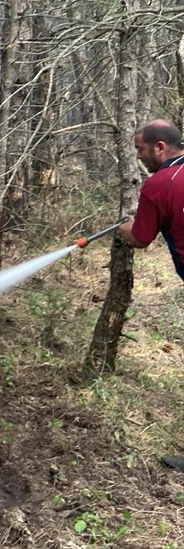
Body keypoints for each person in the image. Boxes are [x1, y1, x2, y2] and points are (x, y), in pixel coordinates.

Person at [116, 119, 184, 472]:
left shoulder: (160, 183)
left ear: (160, 148)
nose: (139, 157)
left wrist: (128, 228)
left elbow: (141, 238)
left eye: (141, 150)